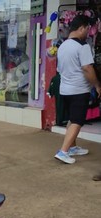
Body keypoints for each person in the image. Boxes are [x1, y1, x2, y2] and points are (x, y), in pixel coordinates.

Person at [54, 14, 101, 164]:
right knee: (77, 120)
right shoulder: (82, 46)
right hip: (79, 90)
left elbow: (60, 69)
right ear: (81, 28)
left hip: (65, 90)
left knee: (72, 119)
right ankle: (63, 152)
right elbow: (87, 68)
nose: (88, 32)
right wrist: (97, 85)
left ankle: (72, 147)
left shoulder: (62, 46)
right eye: (87, 29)